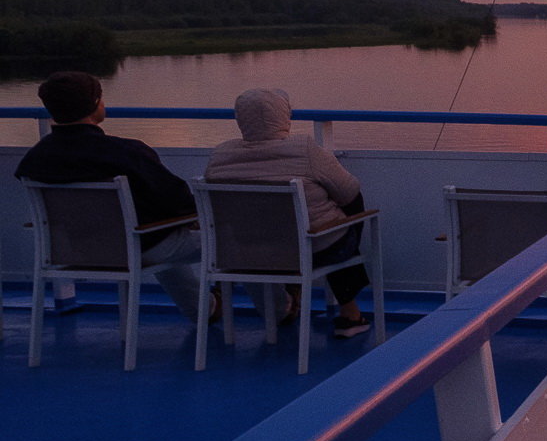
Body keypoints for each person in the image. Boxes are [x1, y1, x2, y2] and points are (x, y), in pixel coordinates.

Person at [14, 71, 203, 321]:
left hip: (74, 251)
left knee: (156, 236)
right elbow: (177, 201)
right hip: (136, 249)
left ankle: (203, 310)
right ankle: (268, 314)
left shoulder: (33, 161)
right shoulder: (125, 152)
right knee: (220, 238)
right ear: (95, 105)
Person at [206, 88, 373, 338]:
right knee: (345, 218)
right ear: (285, 116)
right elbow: (349, 191)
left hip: (248, 253)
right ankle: (349, 312)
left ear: (240, 119)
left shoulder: (220, 156)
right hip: (310, 251)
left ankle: (287, 296)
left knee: (278, 228)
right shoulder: (305, 149)